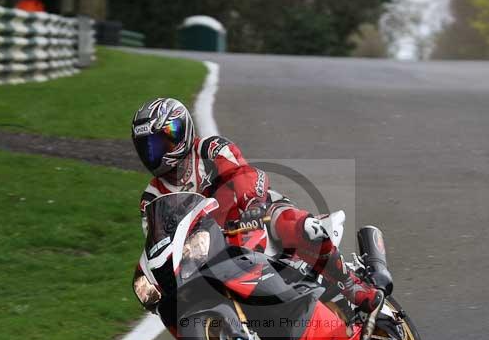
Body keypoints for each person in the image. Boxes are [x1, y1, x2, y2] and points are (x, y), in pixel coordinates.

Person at [131, 97, 383, 316]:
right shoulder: (151, 196)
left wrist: (250, 203)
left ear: (180, 132)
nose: (153, 153)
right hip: (207, 250)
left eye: (160, 144)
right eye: (147, 148)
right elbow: (158, 238)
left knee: (293, 224)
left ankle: (351, 284)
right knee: (171, 303)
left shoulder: (210, 149)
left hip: (252, 215)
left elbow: (244, 175)